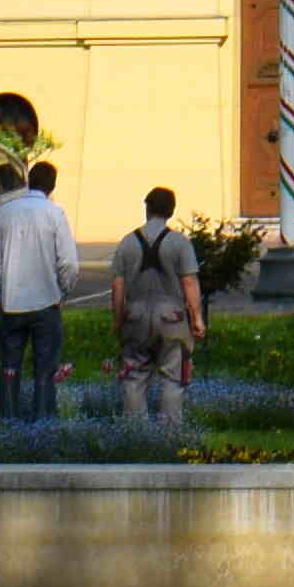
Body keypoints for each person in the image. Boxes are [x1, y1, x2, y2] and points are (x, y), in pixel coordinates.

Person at [0, 157, 79, 420]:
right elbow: (68, 262)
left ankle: (8, 419)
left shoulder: (6, 212)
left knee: (9, 367)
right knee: (45, 368)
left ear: (28, 182)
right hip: (46, 301)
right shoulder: (55, 214)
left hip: (11, 303)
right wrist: (63, 291)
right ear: (52, 186)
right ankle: (43, 421)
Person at [108, 182, 207, 432]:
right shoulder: (180, 243)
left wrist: (118, 320)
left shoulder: (127, 243)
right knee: (173, 378)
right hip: (172, 317)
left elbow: (118, 287)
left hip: (136, 315)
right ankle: (170, 435)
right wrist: (197, 319)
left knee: (134, 376)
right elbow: (190, 282)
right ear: (171, 211)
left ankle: (135, 433)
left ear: (147, 208)